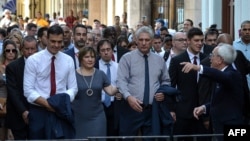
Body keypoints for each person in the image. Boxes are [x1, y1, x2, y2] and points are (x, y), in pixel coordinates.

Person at [23, 25, 78, 139]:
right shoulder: (33, 60)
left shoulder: (68, 60)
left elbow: (73, 88)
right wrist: (49, 104)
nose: (56, 45)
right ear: (46, 39)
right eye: (53, 41)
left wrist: (60, 102)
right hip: (39, 111)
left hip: (61, 111)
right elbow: (28, 91)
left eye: (59, 42)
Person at [117, 26, 172, 139]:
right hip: (131, 108)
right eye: (141, 40)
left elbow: (166, 80)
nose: (143, 43)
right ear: (136, 40)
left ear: (151, 41)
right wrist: (128, 97)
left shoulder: (159, 60)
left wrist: (163, 92)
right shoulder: (127, 58)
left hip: (152, 110)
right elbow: (121, 81)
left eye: (147, 40)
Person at [181, 43, 244, 141]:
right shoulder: (219, 74)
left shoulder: (232, 74)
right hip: (218, 126)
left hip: (233, 126)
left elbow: (223, 77)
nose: (210, 58)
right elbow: (222, 101)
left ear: (220, 60)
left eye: (212, 55)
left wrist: (198, 68)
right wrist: (204, 107)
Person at [168, 27, 207, 141]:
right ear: (188, 41)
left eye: (201, 40)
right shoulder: (177, 61)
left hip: (203, 112)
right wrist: (171, 109)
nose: (200, 43)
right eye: (196, 40)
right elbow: (171, 86)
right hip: (183, 113)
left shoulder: (207, 60)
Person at [72, 47, 118, 139]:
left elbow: (110, 91)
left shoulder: (100, 74)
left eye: (92, 57)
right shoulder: (73, 74)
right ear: (80, 58)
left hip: (97, 118)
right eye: (87, 57)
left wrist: (122, 83)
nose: (90, 59)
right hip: (78, 118)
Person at [6, 36, 38, 140]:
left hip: (38, 112)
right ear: (22, 49)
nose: (30, 52)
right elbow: (13, 92)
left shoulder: (43, 65)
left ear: (36, 49)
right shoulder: (13, 67)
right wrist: (23, 111)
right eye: (27, 49)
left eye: (32, 49)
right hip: (18, 115)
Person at [0, 39, 18, 140]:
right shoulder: (0, 67)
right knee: (2, 135)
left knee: (12, 136)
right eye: (8, 50)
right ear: (4, 52)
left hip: (15, 104)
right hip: (2, 103)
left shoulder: (20, 66)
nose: (11, 53)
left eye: (13, 50)